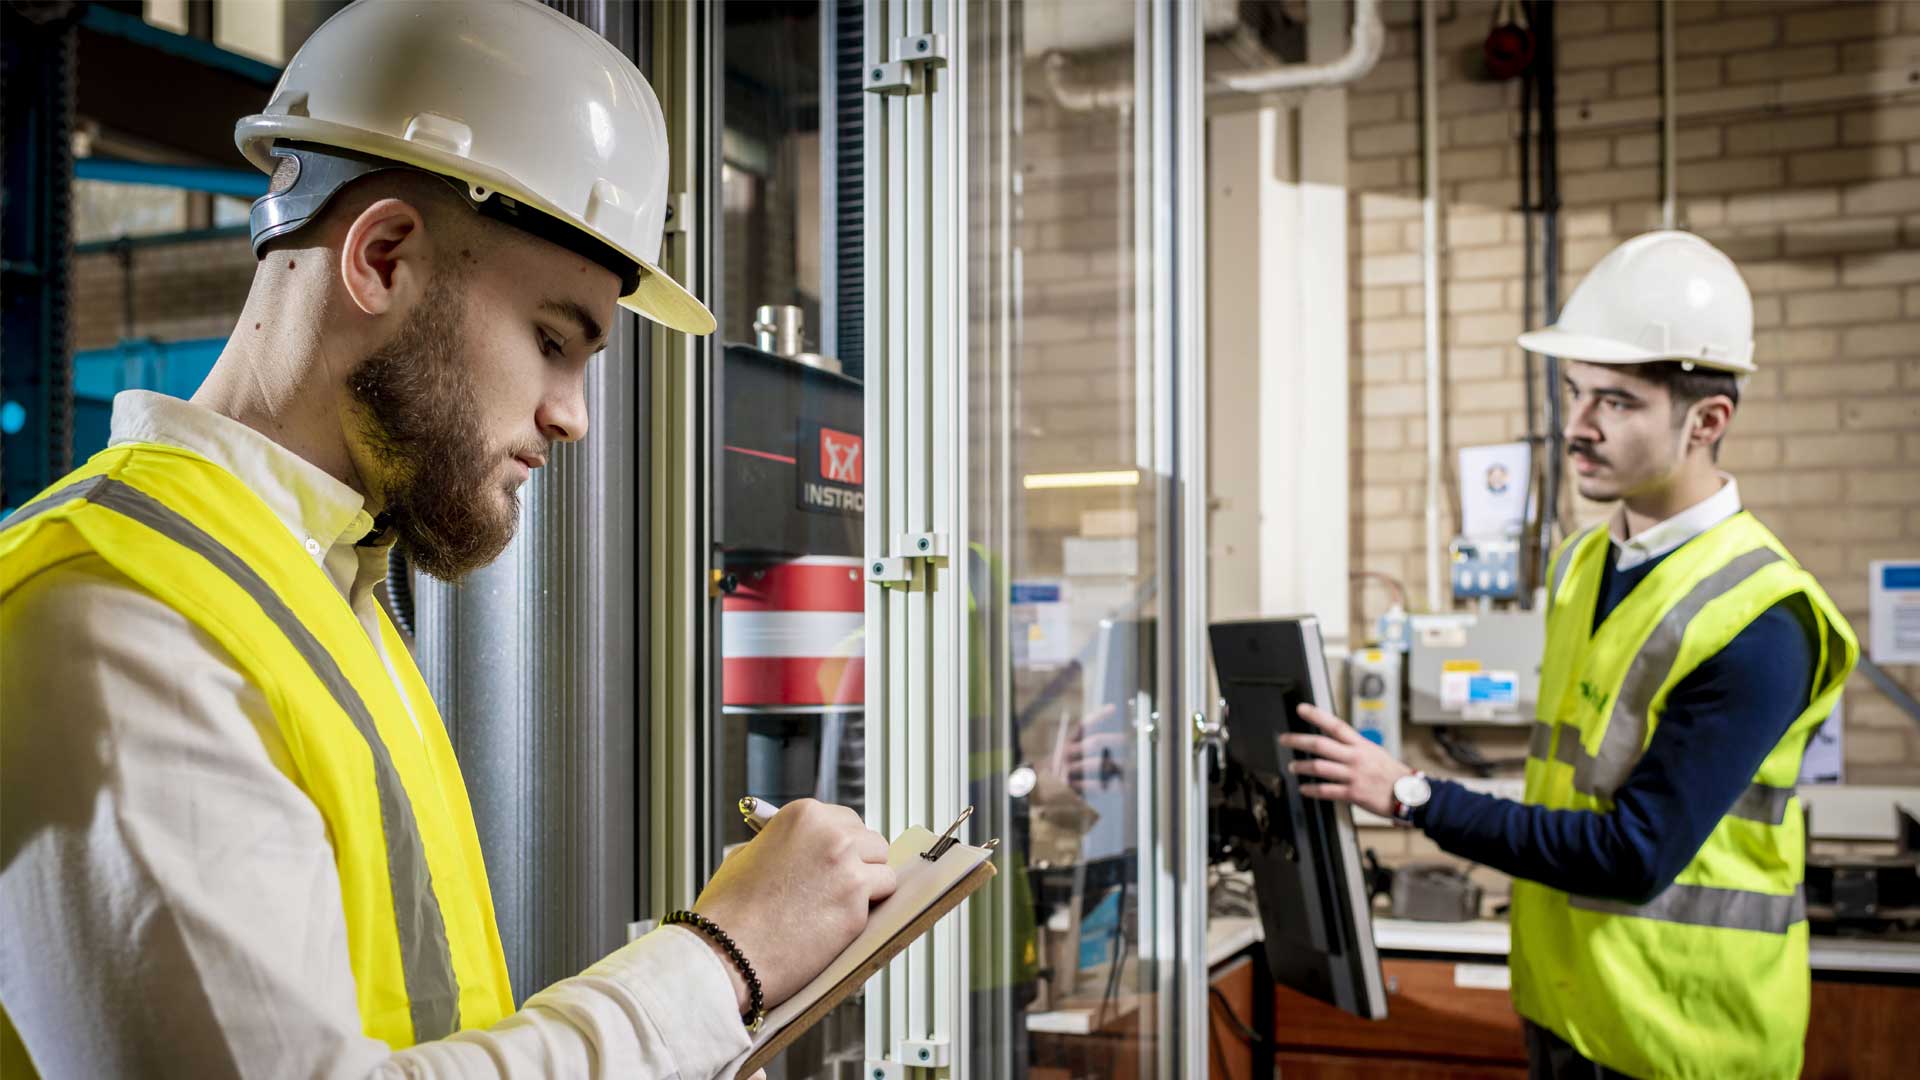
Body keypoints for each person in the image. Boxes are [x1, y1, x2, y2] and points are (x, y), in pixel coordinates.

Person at [0, 2, 896, 1076]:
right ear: (379, 257)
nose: (572, 414)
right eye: (553, 339)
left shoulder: (323, 590)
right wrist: (721, 961)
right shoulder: (111, 620)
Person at [1282, 231, 1857, 1080]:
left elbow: (1634, 855)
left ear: (1708, 422)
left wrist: (1409, 793)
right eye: (1573, 392)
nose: (1576, 428)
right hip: (1564, 1011)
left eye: (1617, 403)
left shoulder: (1762, 618)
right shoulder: (1581, 564)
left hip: (1684, 1042)